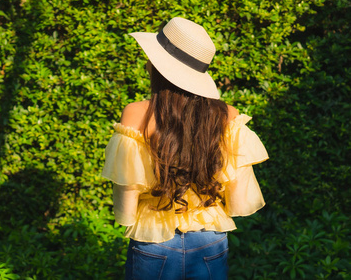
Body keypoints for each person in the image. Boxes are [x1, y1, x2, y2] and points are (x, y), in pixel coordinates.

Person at [102, 17, 269, 280]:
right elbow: (238, 190)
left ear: (157, 65)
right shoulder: (227, 115)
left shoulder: (136, 113)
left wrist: (125, 216)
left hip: (154, 235)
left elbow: (127, 185)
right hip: (209, 236)